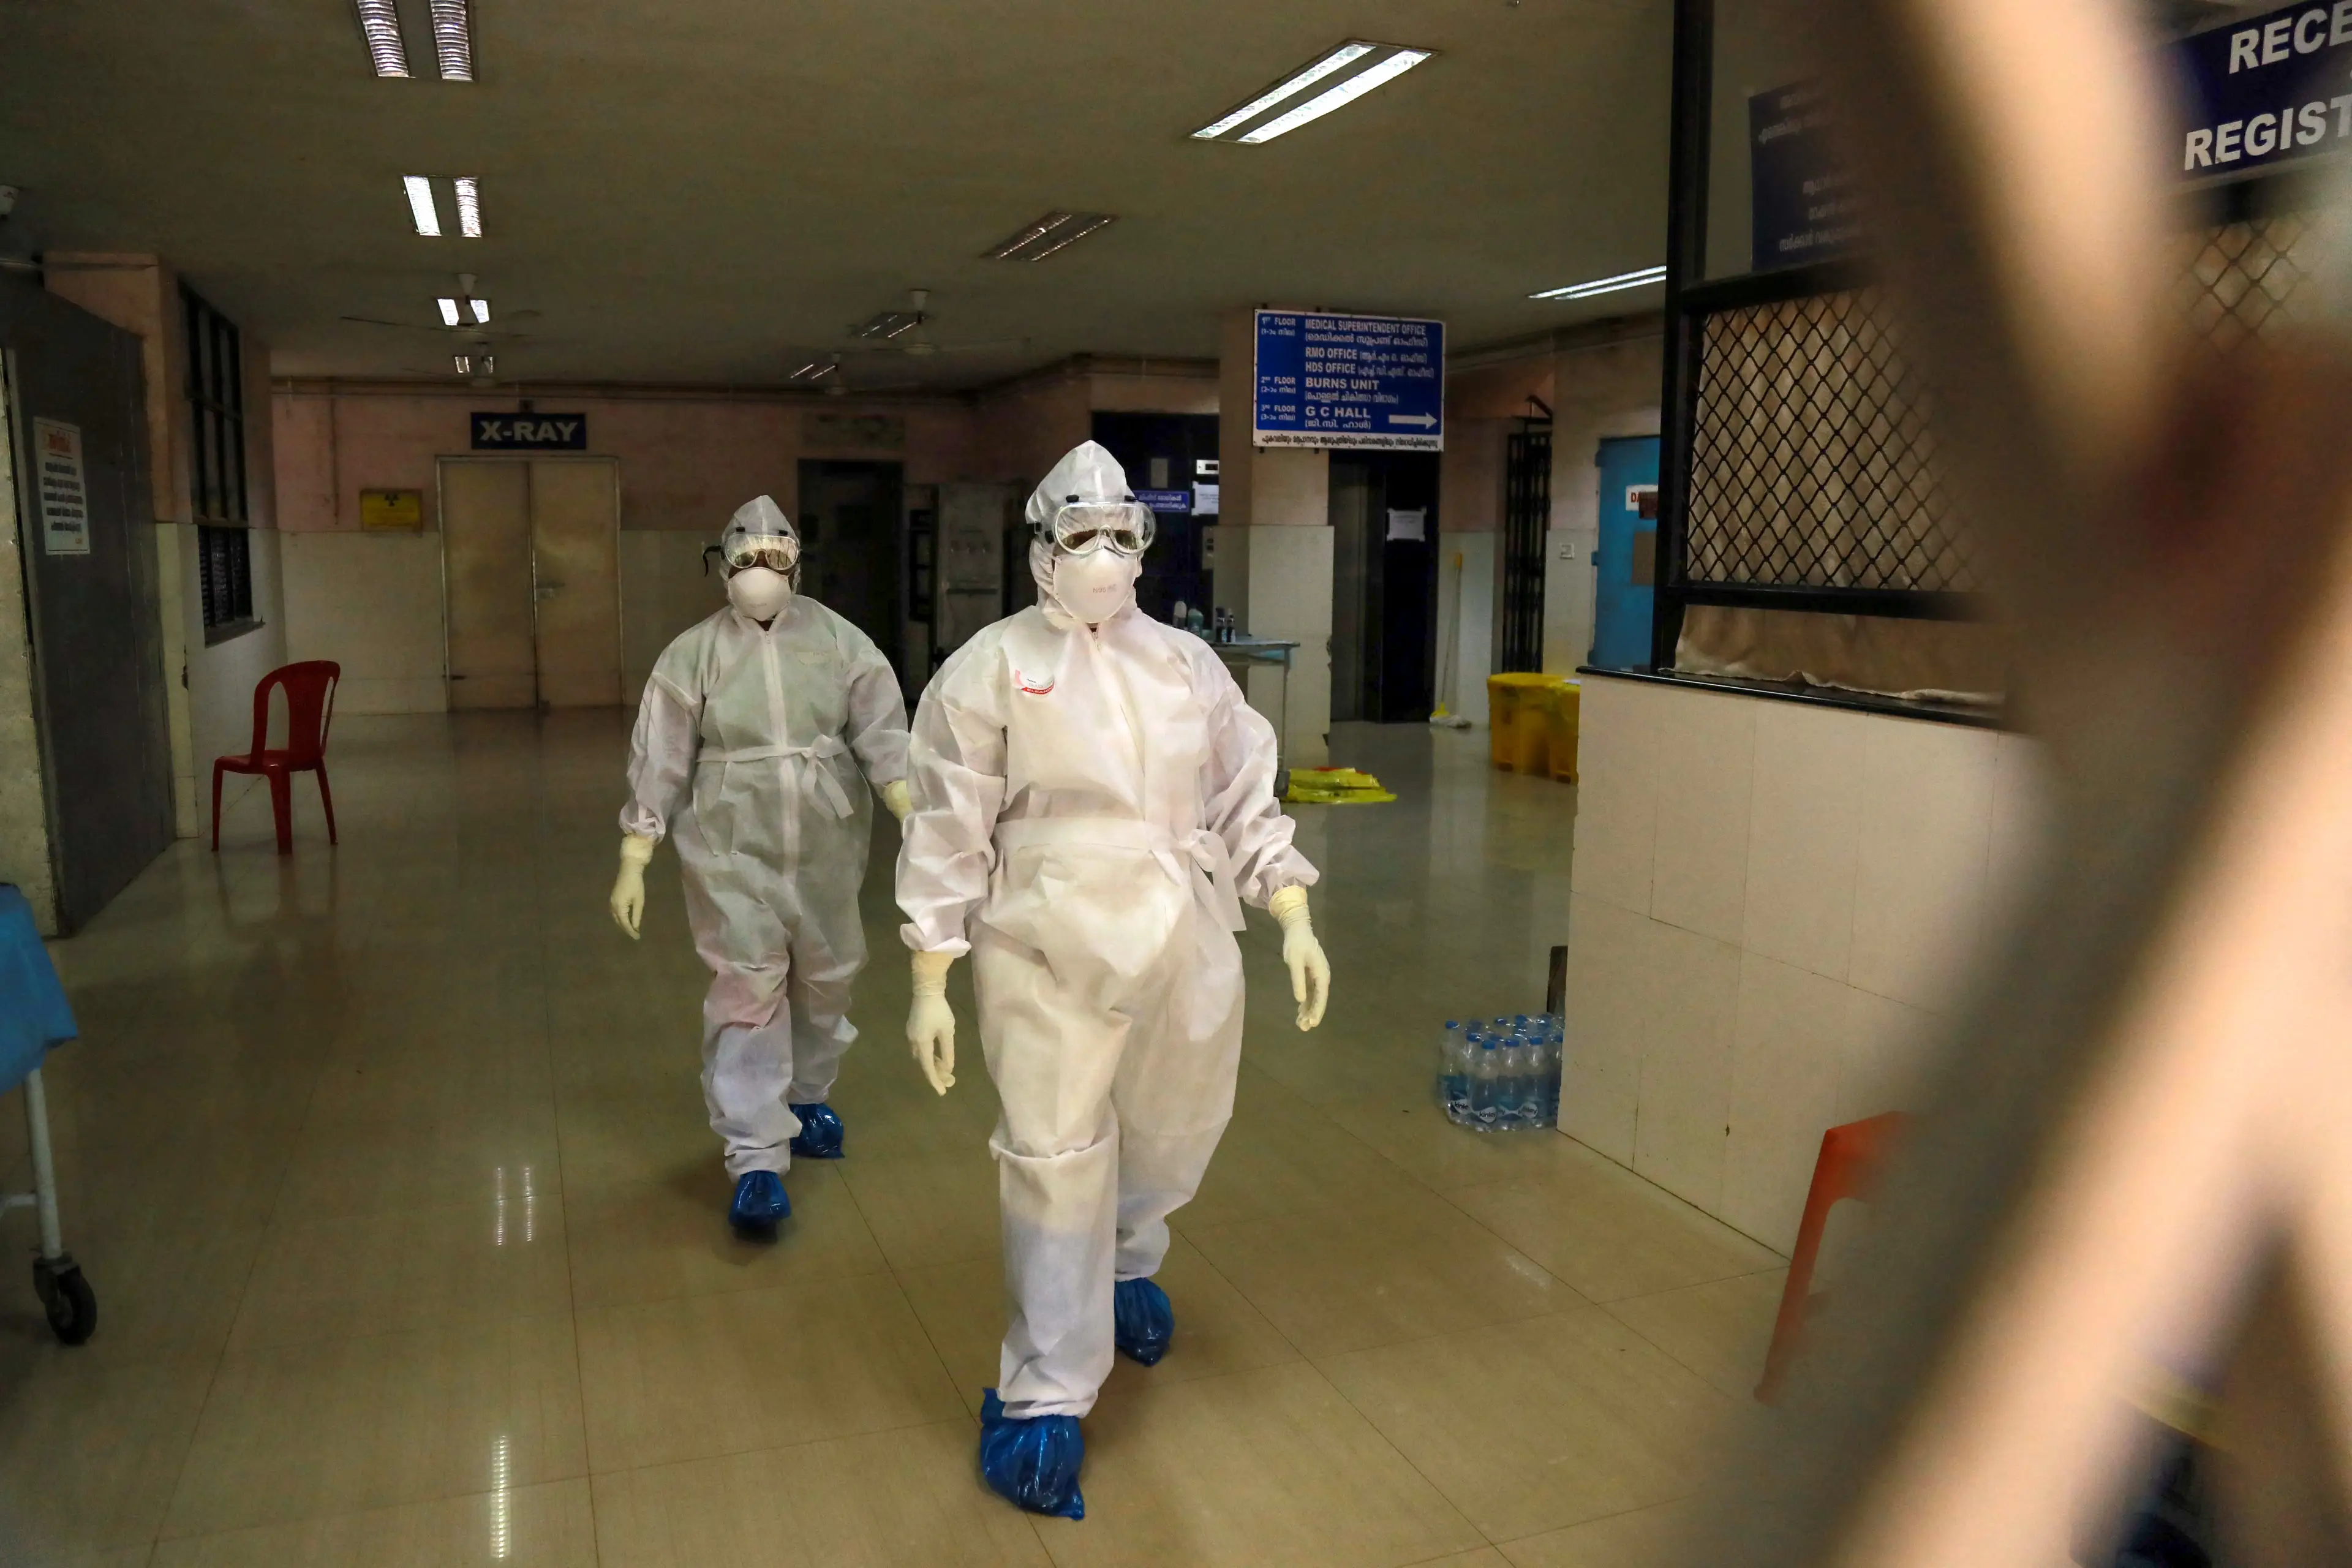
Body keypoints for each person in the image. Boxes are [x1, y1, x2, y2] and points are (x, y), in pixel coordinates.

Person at [895, 441, 1332, 1519]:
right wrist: (928, 968)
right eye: (1077, 534)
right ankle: (1044, 1393)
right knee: (1053, 1151)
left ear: (1146, 544)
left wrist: (1291, 909)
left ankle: (1130, 1262)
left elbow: (1243, 793)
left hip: (1185, 926)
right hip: (1041, 938)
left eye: (1119, 533)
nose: (1101, 553)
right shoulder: (989, 667)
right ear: (1040, 549)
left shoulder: (1187, 666)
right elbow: (948, 826)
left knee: (1176, 1121)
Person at [610, 496, 911, 1240]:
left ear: (797, 564)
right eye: (747, 559)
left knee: (826, 972)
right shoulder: (693, 653)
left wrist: (918, 814)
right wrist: (635, 850)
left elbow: (883, 732)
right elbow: (662, 754)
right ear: (723, 567)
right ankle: (755, 1157)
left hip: (826, 837)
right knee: (748, 984)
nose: (761, 572)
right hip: (729, 838)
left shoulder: (843, 642)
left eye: (776, 558)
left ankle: (807, 1098)